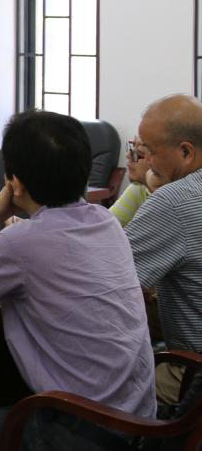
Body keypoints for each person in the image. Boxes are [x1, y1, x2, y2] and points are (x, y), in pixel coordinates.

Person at [0, 111, 156, 451]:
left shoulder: (19, 243)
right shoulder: (105, 221)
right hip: (138, 424)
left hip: (78, 432)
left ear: (15, 183)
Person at [124, 95, 202, 407]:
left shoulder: (173, 202)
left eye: (150, 152)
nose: (147, 163)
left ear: (185, 152)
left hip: (192, 375)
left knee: (83, 386)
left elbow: (109, 282)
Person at [109, 134, 151, 227]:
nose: (128, 155)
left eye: (139, 153)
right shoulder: (140, 187)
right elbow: (107, 227)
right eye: (132, 145)